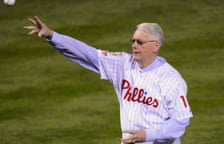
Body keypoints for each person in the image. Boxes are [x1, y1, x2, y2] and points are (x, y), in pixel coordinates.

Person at [24, 16, 193, 144]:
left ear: (156, 46)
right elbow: (87, 54)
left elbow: (180, 122)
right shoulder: (124, 65)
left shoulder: (171, 80)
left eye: (140, 42)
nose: (134, 45)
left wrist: (148, 135)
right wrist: (52, 36)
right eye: (132, 41)